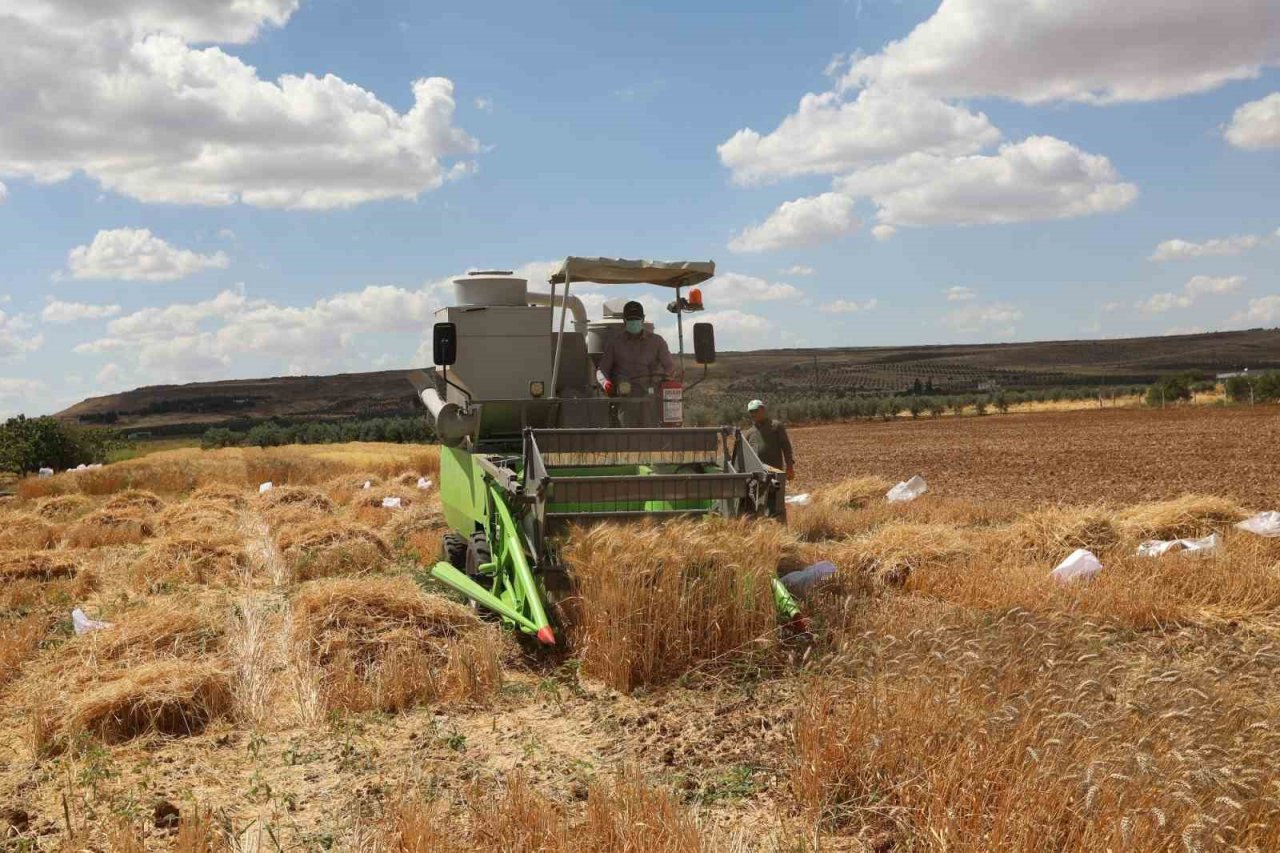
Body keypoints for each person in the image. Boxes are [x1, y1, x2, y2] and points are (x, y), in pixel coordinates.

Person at [595, 300, 674, 396]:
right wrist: (605, 383)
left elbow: (669, 366)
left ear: (643, 319)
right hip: (623, 397)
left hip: (651, 397)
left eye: (636, 318)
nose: (633, 322)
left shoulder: (657, 342)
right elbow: (602, 370)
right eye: (630, 319)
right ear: (624, 320)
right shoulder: (614, 343)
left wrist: (665, 380)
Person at [745, 399, 795, 480]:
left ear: (763, 410)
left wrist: (790, 467)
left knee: (776, 492)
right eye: (751, 411)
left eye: (756, 410)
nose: (753, 414)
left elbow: (786, 448)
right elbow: (746, 455)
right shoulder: (749, 433)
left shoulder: (776, 426)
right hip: (756, 475)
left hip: (774, 472)